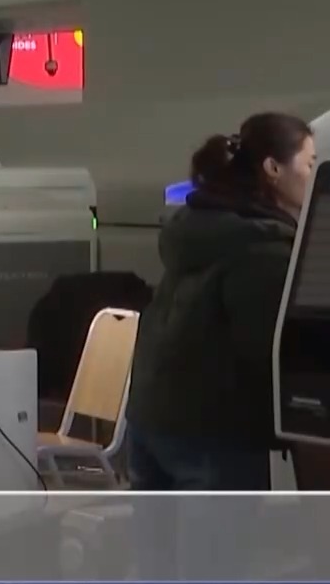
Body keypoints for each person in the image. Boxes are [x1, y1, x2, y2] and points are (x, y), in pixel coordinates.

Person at [128, 113, 316, 492]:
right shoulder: (262, 247)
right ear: (273, 168)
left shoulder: (202, 226)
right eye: (309, 163)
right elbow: (269, 350)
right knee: (222, 535)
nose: (313, 175)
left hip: (151, 415)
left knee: (153, 534)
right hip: (213, 433)